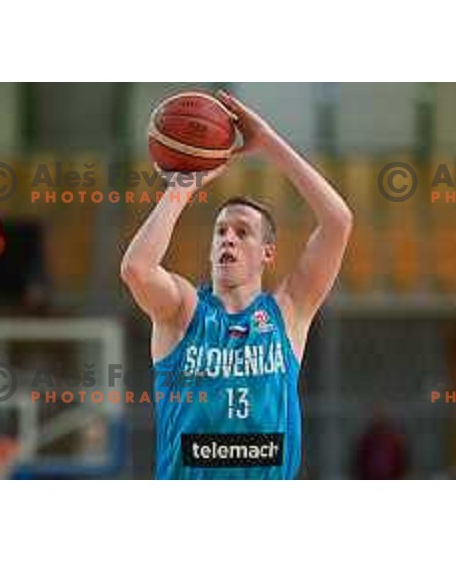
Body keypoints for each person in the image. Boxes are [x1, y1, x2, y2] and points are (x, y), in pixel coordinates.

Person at [120, 90, 353, 479]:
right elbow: (136, 270)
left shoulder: (288, 312)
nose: (227, 238)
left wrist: (268, 142)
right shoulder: (183, 311)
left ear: (267, 253)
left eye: (242, 232)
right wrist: (183, 185)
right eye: (221, 231)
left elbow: (338, 221)